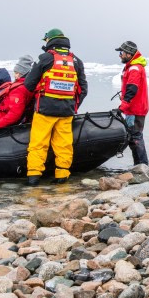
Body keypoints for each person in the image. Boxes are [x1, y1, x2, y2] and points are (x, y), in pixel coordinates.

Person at [24, 30, 88, 184]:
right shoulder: (76, 61)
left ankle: (34, 176)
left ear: (50, 40)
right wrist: (73, 106)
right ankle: (62, 175)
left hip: (44, 110)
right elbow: (83, 89)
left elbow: (28, 84)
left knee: (38, 143)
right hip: (66, 112)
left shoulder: (45, 58)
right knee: (64, 144)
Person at [115, 41, 149, 165]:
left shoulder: (134, 68)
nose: (120, 55)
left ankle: (142, 166)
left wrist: (122, 107)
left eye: (121, 52)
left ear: (129, 54)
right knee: (133, 137)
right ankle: (140, 165)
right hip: (134, 108)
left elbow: (132, 90)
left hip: (135, 109)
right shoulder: (133, 67)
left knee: (135, 137)